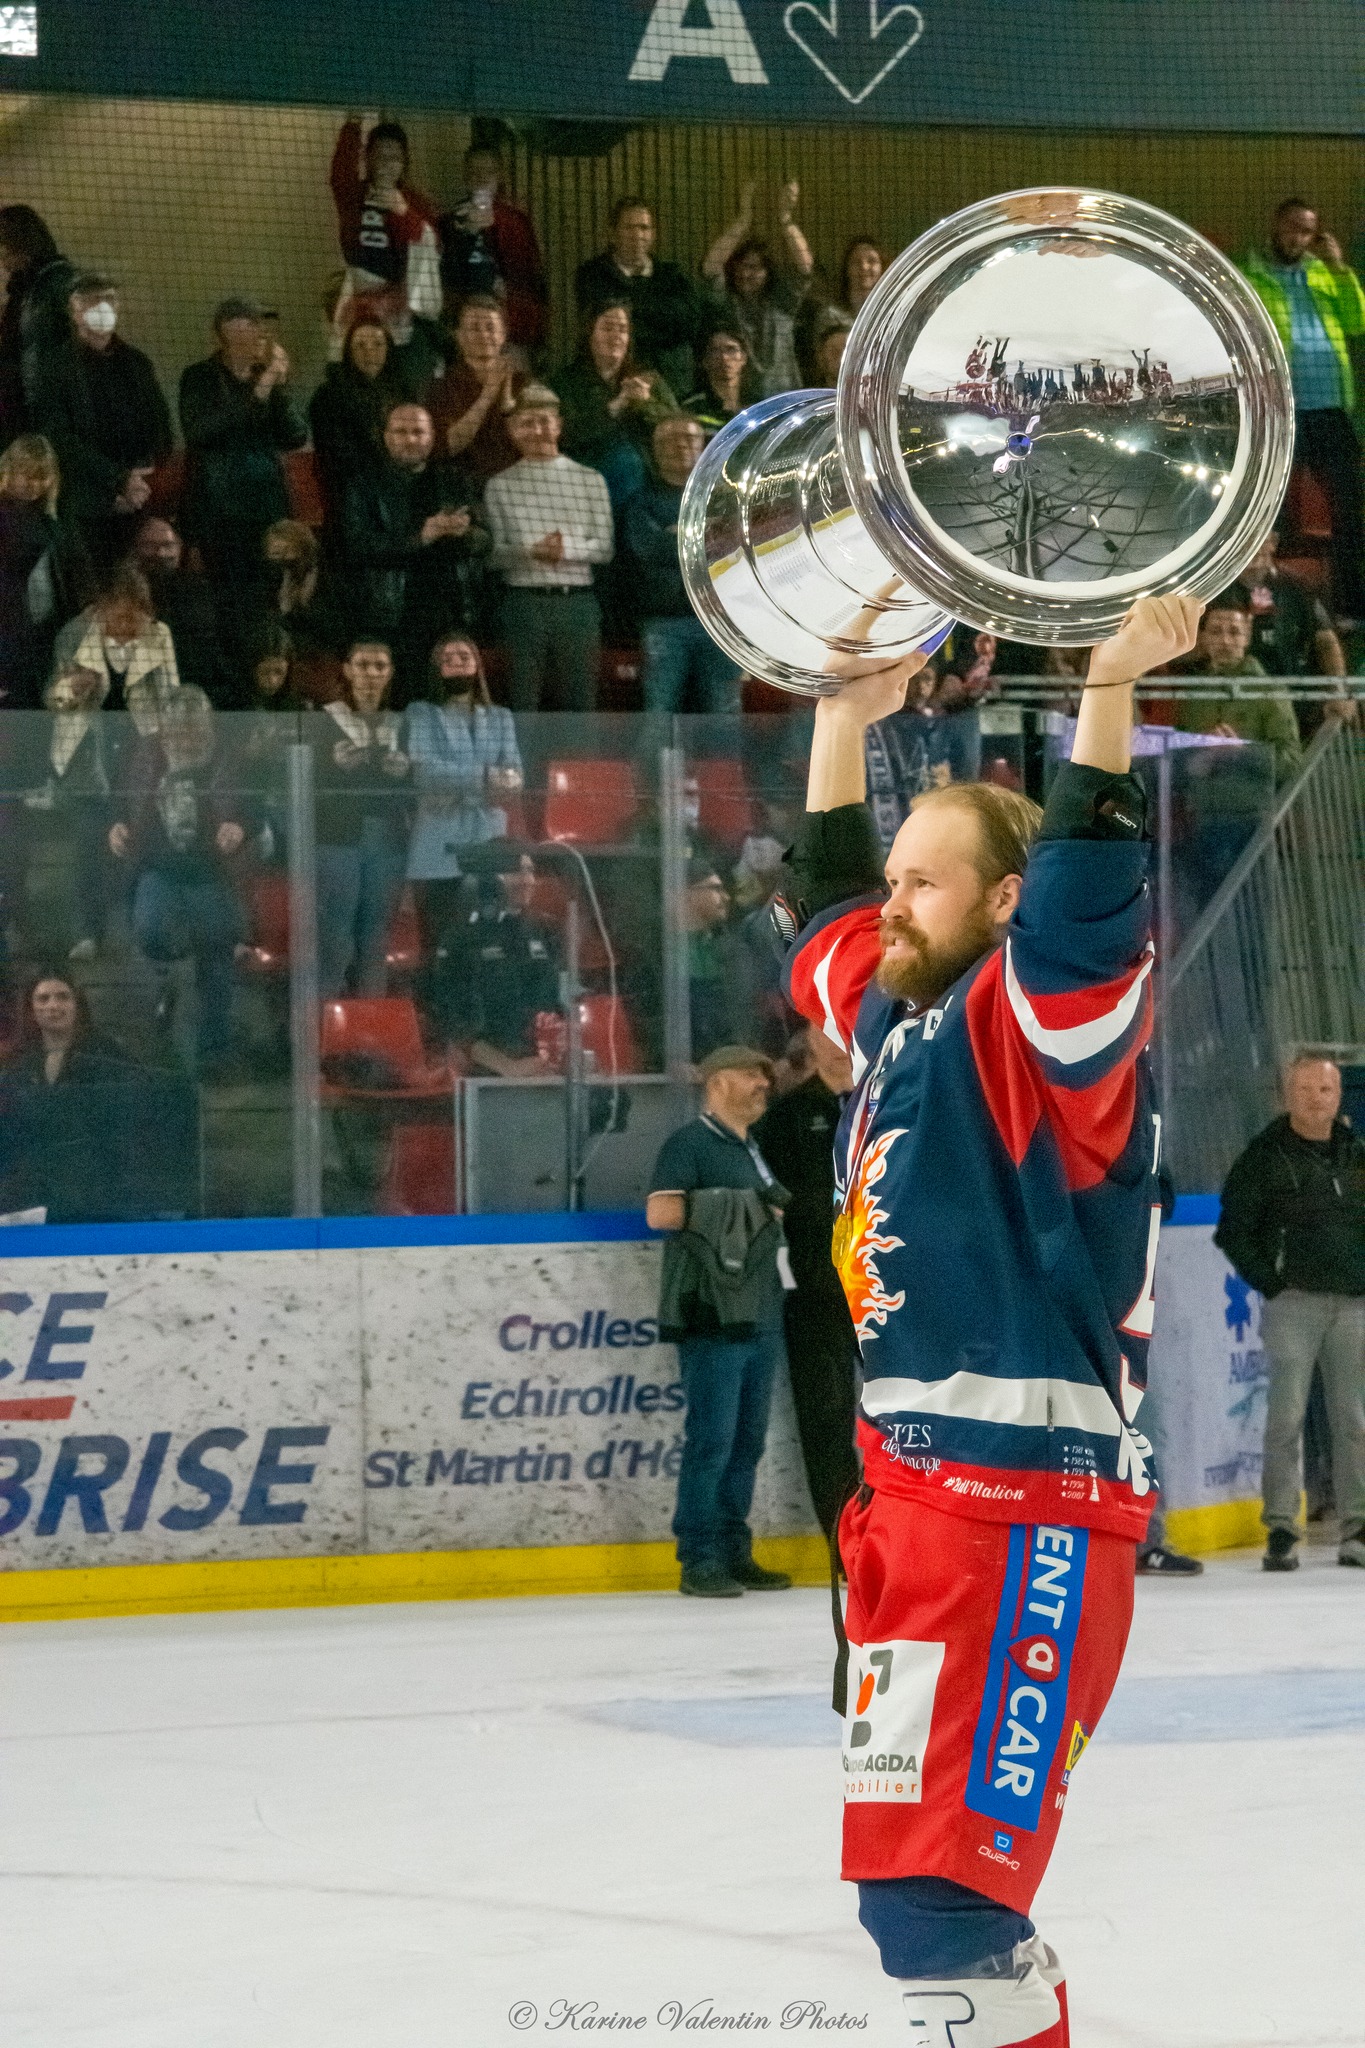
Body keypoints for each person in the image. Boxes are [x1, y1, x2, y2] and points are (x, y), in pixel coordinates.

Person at [779, 594, 1203, 2032]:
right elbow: (829, 922)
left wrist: (1103, 693)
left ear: (1005, 904)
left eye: (926, 885)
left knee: (938, 1905)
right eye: (897, 881)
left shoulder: (1044, 1033)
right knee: (920, 1907)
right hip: (911, 1504)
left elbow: (1088, 900)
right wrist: (844, 719)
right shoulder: (898, 1023)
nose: (891, 906)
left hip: (1017, 1506)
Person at [646, 1044, 794, 1597]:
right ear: (715, 1084)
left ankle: (734, 1549)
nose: (762, 1082)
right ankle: (699, 1558)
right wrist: (755, 1210)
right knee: (712, 1439)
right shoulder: (689, 1144)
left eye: (764, 1072)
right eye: (748, 1074)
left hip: (758, 1309)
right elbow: (662, 1212)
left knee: (746, 1440)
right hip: (712, 1311)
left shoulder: (750, 1146)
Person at [1214, 1054, 1365, 1573]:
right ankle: (1281, 1527)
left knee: (1354, 1421)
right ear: (1287, 1093)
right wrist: (1274, 1285)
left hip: (1354, 1306)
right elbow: (1233, 1230)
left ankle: (1358, 1528)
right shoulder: (1264, 1156)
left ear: (1338, 1095)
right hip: (1294, 1306)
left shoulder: (1356, 1154)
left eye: (1323, 1089)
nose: (1313, 1098)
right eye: (1303, 1088)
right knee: (1286, 1418)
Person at [111, 685, 252, 1079]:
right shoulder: (143, 756)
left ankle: (214, 1054)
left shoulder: (227, 757)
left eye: (193, 728)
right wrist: (116, 827)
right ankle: (170, 981)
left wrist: (238, 827)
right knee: (150, 932)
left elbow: (252, 809)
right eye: (177, 729)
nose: (185, 737)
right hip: (158, 869)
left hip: (213, 873)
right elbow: (120, 803)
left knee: (218, 963)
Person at [754, 1025, 861, 1539]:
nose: (837, 1039)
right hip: (818, 1291)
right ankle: (847, 1541)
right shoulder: (785, 1121)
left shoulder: (890, 1103)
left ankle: (917, 1532)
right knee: (826, 1417)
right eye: (825, 1030)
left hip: (892, 1288)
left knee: (914, 1409)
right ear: (811, 1044)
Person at [1242, 200, 1365, 625]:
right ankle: (1258, 603)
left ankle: (1353, 605)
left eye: (1308, 231)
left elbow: (1357, 323)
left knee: (1350, 508)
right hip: (1281, 411)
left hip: (1329, 407)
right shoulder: (1251, 273)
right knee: (1267, 510)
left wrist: (1340, 270)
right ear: (1276, 227)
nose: (1299, 237)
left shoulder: (1324, 273)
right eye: (1293, 228)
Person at [28, 271, 173, 568]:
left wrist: (137, 479)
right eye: (93, 301)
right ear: (74, 311)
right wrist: (115, 481)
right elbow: (58, 436)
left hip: (139, 498)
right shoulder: (56, 367)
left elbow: (160, 427)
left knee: (140, 588)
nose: (103, 308)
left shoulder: (135, 362)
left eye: (109, 299)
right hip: (85, 504)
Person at [484, 384, 613, 712]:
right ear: (512, 431)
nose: (536, 430)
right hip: (523, 604)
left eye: (544, 421)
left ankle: (580, 765)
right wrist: (531, 551)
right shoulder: (499, 485)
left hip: (578, 602)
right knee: (522, 699)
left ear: (558, 425)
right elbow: (493, 553)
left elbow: (605, 548)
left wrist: (565, 550)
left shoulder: (589, 478)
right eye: (526, 423)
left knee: (580, 699)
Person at [341, 401, 488, 686]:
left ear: (432, 437)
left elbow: (486, 541)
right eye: (401, 431)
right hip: (390, 615)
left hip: (451, 613)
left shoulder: (455, 481)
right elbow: (358, 546)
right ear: (386, 437)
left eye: (418, 432)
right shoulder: (363, 486)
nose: (410, 439)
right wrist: (421, 537)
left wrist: (465, 534)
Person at [178, 297, 308, 611]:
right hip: (219, 512)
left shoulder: (267, 377)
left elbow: (295, 436)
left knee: (271, 595)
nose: (261, 332)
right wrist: (259, 391)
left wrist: (277, 387)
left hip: (268, 508)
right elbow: (200, 433)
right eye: (252, 323)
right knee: (229, 600)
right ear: (228, 330)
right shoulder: (199, 377)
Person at [403, 632, 523, 961]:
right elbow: (426, 774)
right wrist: (485, 778)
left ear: (477, 665)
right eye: (448, 659)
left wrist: (455, 786)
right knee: (440, 944)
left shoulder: (501, 717)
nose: (457, 663)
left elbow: (515, 778)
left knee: (487, 942)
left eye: (464, 657)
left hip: (488, 838)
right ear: (436, 669)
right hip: (437, 841)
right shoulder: (421, 713)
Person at [313, 639, 411, 998]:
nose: (371, 673)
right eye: (363, 665)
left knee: (375, 937)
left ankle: (369, 1026)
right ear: (347, 669)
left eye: (380, 666)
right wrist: (333, 766)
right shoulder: (323, 720)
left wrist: (403, 773)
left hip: (386, 839)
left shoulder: (402, 723)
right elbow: (304, 784)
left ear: (390, 673)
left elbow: (414, 789)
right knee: (335, 937)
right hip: (337, 839)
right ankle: (324, 1028)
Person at [625, 414, 742, 714]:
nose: (680, 446)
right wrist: (704, 536)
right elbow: (651, 549)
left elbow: (735, 549)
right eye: (669, 440)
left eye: (688, 438)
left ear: (702, 445)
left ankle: (725, 764)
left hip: (720, 622)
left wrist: (677, 534)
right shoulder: (642, 502)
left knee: (725, 712)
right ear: (655, 449)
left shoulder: (725, 500)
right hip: (664, 623)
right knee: (659, 712)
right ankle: (659, 765)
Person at [0, 973, 139, 1223]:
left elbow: (124, 1123)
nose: (53, 1006)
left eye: (62, 997)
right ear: (31, 1009)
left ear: (78, 1004)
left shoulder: (106, 1054)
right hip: (33, 1186)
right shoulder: (20, 1063)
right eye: (43, 999)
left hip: (95, 1188)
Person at [7, 663, 114, 963]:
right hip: (36, 795)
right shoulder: (45, 709)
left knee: (85, 855)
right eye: (71, 677)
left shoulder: (102, 717)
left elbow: (104, 772)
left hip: (90, 799)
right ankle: (23, 933)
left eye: (87, 678)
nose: (78, 684)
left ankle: (87, 934)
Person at [429, 850, 560, 1077]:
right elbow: (455, 1020)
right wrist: (508, 1067)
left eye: (530, 871)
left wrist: (552, 1057)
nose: (528, 880)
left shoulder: (542, 930)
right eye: (517, 872)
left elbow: (552, 1004)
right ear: (490, 878)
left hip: (535, 1056)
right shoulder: (461, 936)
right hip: (484, 1062)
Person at [550, 299, 678, 510]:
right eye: (608, 328)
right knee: (626, 461)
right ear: (589, 333)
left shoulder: (648, 379)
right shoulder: (565, 382)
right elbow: (566, 435)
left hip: (652, 477)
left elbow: (676, 428)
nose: (616, 336)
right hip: (588, 477)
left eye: (623, 329)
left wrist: (646, 403)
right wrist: (617, 406)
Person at [575, 197, 702, 402]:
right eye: (629, 227)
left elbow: (689, 323)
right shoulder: (593, 274)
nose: (638, 235)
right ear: (613, 233)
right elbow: (599, 323)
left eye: (644, 228)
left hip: (673, 384)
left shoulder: (672, 275)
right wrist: (662, 318)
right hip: (613, 385)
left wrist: (635, 310)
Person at [1170, 587, 1302, 782]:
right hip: (1202, 807)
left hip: (1256, 808)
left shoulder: (1269, 691)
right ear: (1204, 638)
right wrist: (1202, 758)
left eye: (1234, 632)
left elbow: (1292, 764)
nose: (1225, 641)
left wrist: (1242, 752)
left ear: (1247, 638)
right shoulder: (1195, 692)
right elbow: (1179, 763)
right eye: (1215, 632)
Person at [0, 433, 93, 709]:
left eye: (42, 477)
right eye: (27, 475)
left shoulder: (50, 518)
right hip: (9, 636)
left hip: (43, 633)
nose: (34, 485)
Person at [700, 180, 814, 398]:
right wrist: (743, 220)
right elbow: (710, 268)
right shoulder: (727, 305)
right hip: (741, 404)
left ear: (767, 271)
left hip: (785, 400)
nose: (745, 274)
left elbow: (805, 267)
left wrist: (785, 219)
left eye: (753, 268)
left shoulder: (782, 303)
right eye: (739, 268)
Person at [437, 141, 548, 353]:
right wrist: (465, 235)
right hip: (463, 330)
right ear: (465, 175)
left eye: (488, 171)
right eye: (474, 171)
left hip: (510, 330)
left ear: (500, 176)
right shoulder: (449, 222)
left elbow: (529, 280)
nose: (481, 178)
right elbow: (445, 278)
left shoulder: (515, 222)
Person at [329, 115, 441, 324]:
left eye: (395, 158)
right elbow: (340, 174)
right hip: (357, 296)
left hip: (399, 302)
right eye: (380, 156)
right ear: (368, 159)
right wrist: (353, 125)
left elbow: (431, 245)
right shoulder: (354, 194)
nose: (387, 164)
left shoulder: (416, 202)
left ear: (404, 162)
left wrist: (403, 213)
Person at [308, 315, 409, 527]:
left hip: (402, 494)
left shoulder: (404, 391)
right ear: (348, 351)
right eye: (360, 345)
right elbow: (334, 455)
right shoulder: (329, 395)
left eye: (378, 344)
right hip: (352, 502)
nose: (370, 352)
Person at [423, 294, 526, 485]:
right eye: (474, 328)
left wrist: (507, 401)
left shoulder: (522, 384)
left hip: (516, 486)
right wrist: (487, 395)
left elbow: (530, 444)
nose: (484, 335)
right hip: (464, 487)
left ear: (502, 336)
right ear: (459, 337)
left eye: (490, 328)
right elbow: (449, 445)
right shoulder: (443, 387)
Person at [131, 516, 234, 705]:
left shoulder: (202, 591)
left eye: (168, 545)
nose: (160, 553)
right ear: (135, 549)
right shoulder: (126, 596)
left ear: (179, 549)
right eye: (150, 545)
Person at [50, 564, 179, 713]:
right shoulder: (74, 633)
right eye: (119, 618)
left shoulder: (159, 634)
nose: (124, 626)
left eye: (133, 620)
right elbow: (53, 702)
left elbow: (171, 696)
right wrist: (73, 686)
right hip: (90, 732)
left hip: (146, 734)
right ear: (102, 608)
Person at [0, 204, 77, 435]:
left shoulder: (57, 283)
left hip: (50, 409)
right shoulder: (22, 289)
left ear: (18, 243)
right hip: (24, 407)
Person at [863, 661, 951, 850]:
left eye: (927, 679)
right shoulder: (877, 723)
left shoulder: (938, 722)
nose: (920, 687)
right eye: (914, 679)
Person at [1241, 529, 1347, 679]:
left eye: (1258, 538)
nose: (1251, 546)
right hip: (1229, 691)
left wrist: (1339, 690)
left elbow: (1326, 641)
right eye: (1243, 538)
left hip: (1292, 687)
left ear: (1273, 543)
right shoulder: (1213, 587)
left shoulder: (1298, 586)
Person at [683, 855, 758, 1062]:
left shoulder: (735, 951)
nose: (725, 898)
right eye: (715, 889)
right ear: (688, 894)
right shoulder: (661, 952)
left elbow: (744, 1015)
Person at [798, 238, 885, 383]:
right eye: (856, 262)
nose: (864, 267)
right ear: (847, 270)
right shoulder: (831, 315)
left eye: (872, 261)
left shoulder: (890, 315)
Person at [683, 327, 761, 436]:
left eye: (731, 349)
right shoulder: (691, 408)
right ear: (705, 360)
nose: (724, 357)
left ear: (743, 357)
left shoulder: (759, 406)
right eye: (715, 351)